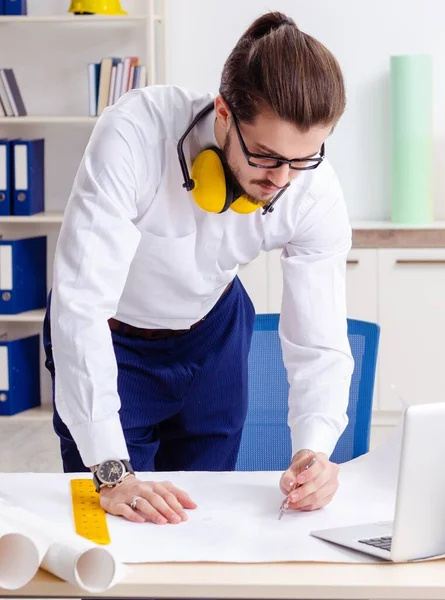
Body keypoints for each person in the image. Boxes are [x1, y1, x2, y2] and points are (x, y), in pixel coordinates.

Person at [43, 10, 354, 525]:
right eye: (265, 156)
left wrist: (315, 450)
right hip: (114, 338)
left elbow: (319, 336)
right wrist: (113, 472)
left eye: (303, 158)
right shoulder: (135, 135)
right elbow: (80, 306)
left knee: (201, 518)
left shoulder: (310, 186)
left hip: (213, 335)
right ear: (224, 113)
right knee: (114, 524)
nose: (282, 180)